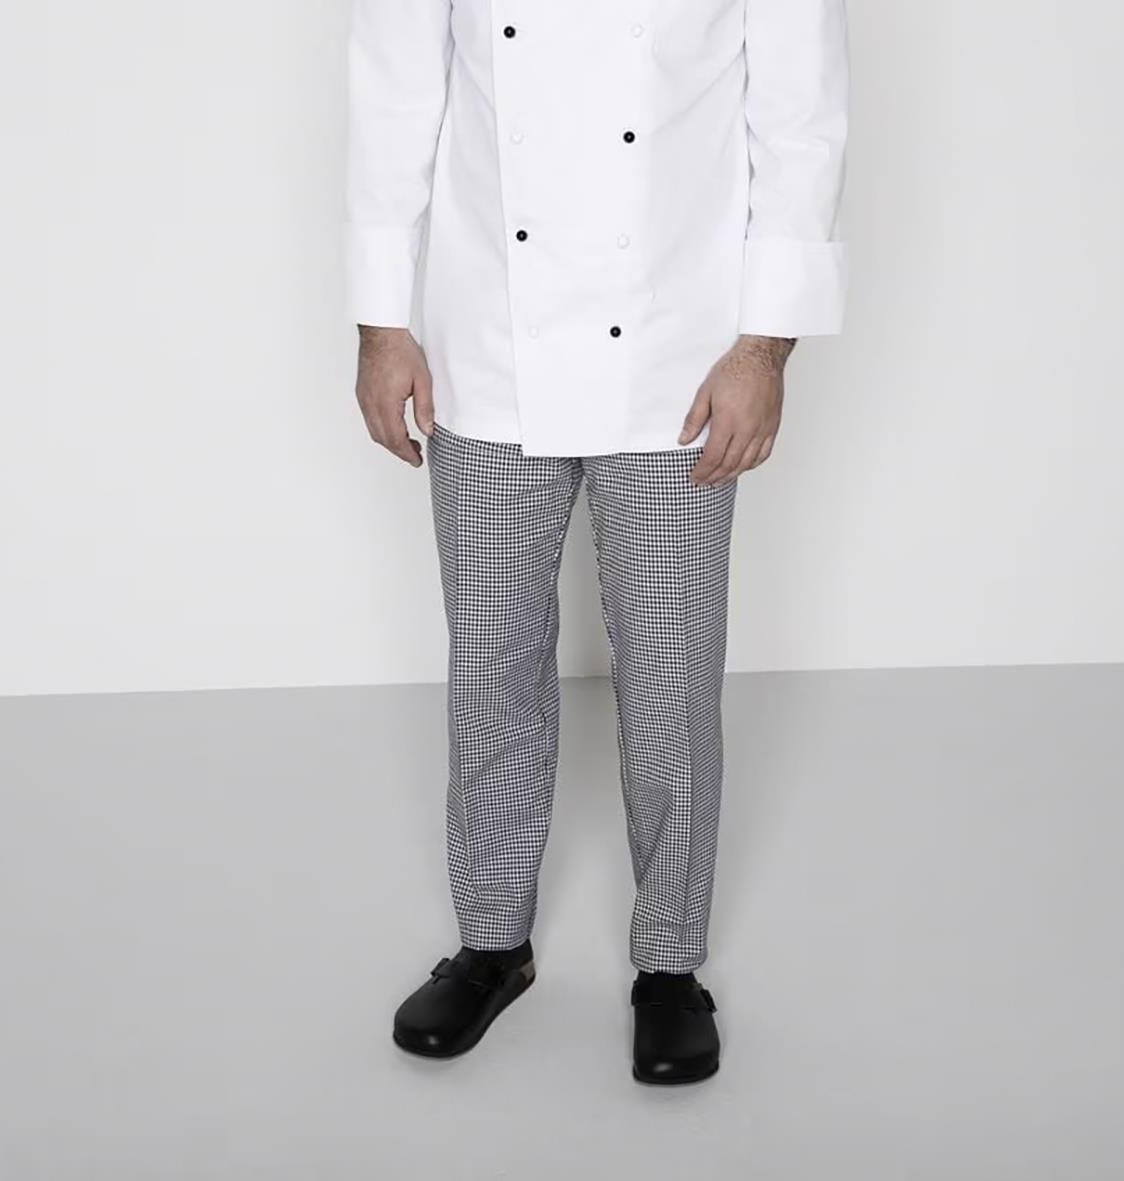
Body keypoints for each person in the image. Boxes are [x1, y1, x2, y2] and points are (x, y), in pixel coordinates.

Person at [345, 0, 848, 1085]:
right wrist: (381, 325)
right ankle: (491, 942)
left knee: (670, 678)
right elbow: (391, 101)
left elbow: (799, 123)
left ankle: (669, 961)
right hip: (486, 351)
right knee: (491, 667)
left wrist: (762, 352)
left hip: (680, 363)